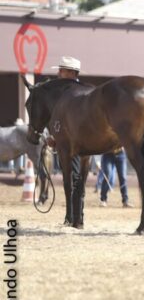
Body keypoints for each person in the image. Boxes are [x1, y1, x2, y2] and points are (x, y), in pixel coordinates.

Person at [52, 57, 87, 221]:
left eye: (62, 70)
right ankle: (73, 216)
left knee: (76, 178)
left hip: (79, 143)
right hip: (67, 141)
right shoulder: (66, 93)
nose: (59, 73)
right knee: (73, 178)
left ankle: (76, 216)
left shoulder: (80, 94)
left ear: (72, 73)